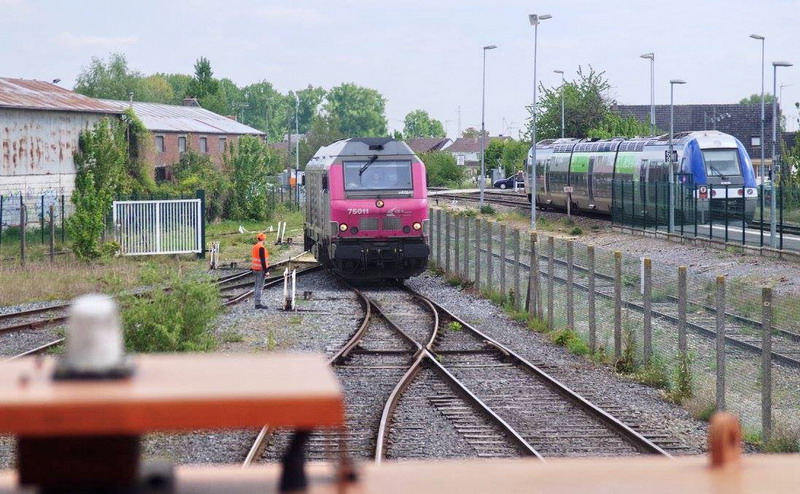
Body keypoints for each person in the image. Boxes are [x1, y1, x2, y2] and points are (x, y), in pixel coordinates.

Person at [251, 232, 270, 309]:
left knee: (256, 286)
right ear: (263, 239)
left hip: (255, 269)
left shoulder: (255, 247)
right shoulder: (261, 248)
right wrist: (266, 271)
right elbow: (262, 260)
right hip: (260, 270)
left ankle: (256, 302)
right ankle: (257, 303)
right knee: (259, 287)